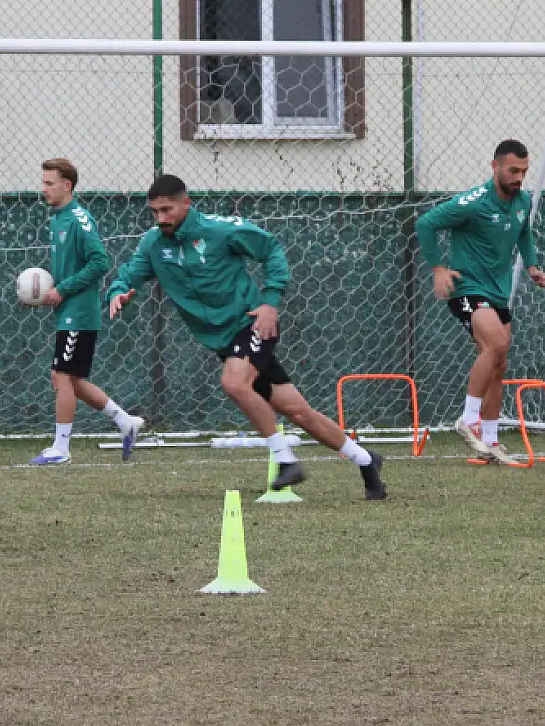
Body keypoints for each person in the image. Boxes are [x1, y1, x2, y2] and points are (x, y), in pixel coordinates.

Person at [106, 174, 387, 499]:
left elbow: (271, 249)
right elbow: (130, 274)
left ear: (187, 203)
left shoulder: (220, 231)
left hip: (254, 324)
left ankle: (285, 461)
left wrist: (270, 303)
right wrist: (119, 291)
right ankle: (367, 462)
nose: (161, 218)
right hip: (224, 342)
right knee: (298, 412)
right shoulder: (153, 244)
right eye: (155, 212)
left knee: (234, 383)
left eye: (167, 209)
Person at [415, 140, 545, 465]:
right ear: (495, 167)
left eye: (524, 171)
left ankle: (491, 442)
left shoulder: (522, 201)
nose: (519, 177)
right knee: (497, 343)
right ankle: (469, 419)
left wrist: (531, 265)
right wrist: (437, 269)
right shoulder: (472, 202)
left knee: (499, 362)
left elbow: (523, 232)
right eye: (513, 170)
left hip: (497, 293)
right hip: (468, 289)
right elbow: (425, 224)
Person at [29, 159, 146, 466]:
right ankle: (124, 422)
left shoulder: (79, 220)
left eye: (49, 183)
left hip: (79, 313)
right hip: (68, 311)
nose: (44, 189)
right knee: (71, 379)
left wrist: (63, 289)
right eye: (43, 183)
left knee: (63, 376)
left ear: (67, 185)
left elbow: (100, 263)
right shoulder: (57, 218)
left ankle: (61, 449)